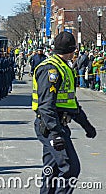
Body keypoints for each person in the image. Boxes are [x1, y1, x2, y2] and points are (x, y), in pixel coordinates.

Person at [32, 32, 97, 193]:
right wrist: (55, 133)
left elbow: (71, 103)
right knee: (70, 168)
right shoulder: (51, 69)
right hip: (50, 126)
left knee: (51, 171)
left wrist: (86, 125)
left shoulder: (63, 67)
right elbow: (46, 106)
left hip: (58, 124)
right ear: (71, 50)